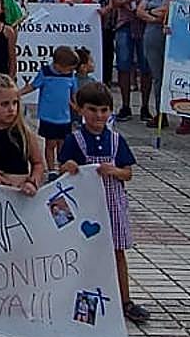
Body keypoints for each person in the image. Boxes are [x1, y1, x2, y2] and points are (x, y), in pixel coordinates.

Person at [57, 81, 150, 323]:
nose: (99, 115)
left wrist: (115, 171)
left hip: (112, 204)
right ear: (81, 110)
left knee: (117, 252)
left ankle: (124, 300)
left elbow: (128, 173)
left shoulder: (117, 140)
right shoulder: (75, 140)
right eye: (92, 110)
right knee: (84, 252)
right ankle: (78, 298)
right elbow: (62, 168)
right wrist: (70, 167)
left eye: (104, 110)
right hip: (87, 206)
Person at [109, 0, 157, 121]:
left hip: (145, 25)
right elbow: (114, 2)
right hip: (126, 24)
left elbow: (156, 0)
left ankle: (145, 106)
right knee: (124, 65)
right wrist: (125, 1)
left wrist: (145, 9)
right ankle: (125, 105)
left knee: (145, 66)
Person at [19, 45, 79, 180]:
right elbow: (33, 85)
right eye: (69, 68)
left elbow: (74, 93)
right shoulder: (46, 73)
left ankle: (62, 166)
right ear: (58, 65)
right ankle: (51, 169)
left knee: (63, 144)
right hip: (49, 116)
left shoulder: (70, 76)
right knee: (50, 143)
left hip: (65, 117)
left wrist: (78, 106)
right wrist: (19, 93)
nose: (71, 71)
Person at [136, 0, 182, 132]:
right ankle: (160, 112)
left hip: (176, 37)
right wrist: (154, 16)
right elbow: (140, 11)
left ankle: (185, 116)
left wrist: (156, 12)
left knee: (178, 76)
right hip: (153, 34)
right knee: (158, 76)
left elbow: (168, 11)